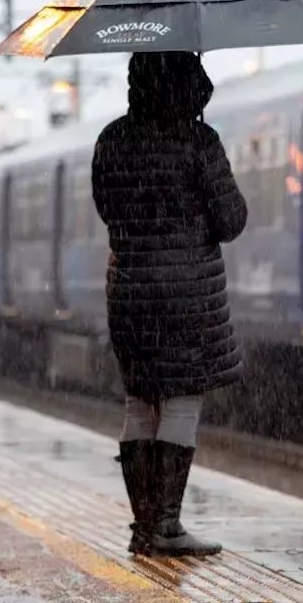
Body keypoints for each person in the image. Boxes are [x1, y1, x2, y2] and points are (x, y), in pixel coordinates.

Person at [92, 51, 248, 557]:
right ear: (191, 81)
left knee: (140, 400)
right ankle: (168, 525)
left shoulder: (111, 139)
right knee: (181, 400)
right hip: (186, 294)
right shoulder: (199, 141)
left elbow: (107, 209)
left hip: (130, 290)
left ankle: (143, 526)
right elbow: (231, 221)